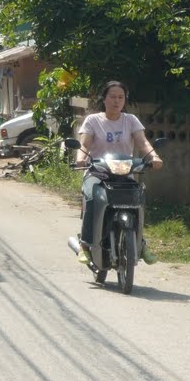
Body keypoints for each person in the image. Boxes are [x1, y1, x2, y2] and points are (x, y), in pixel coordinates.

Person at [73, 80, 163, 266]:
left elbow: (142, 142)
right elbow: (84, 145)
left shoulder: (130, 120)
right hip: (97, 173)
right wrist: (80, 158)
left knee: (138, 199)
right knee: (91, 198)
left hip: (123, 174)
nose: (116, 101)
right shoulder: (93, 120)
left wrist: (154, 157)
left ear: (125, 100)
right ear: (104, 99)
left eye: (121, 97)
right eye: (112, 97)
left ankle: (141, 243)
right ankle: (85, 245)